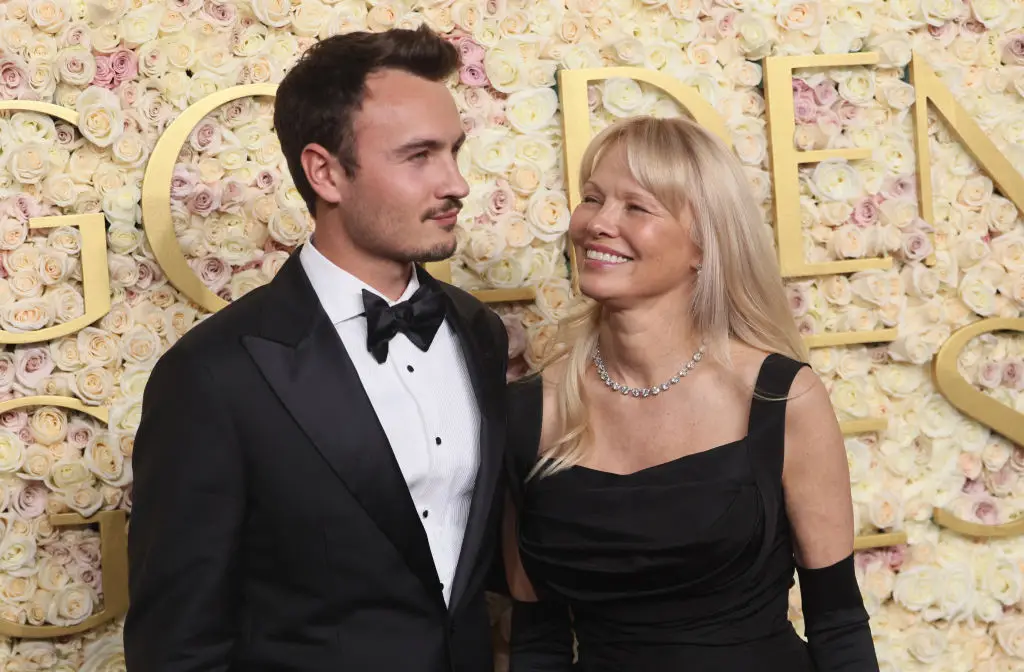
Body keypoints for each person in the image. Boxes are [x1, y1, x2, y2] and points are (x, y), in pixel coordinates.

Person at [125, 27, 509, 672]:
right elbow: (177, 644)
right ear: (325, 173)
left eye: (454, 151)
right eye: (419, 156)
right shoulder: (214, 374)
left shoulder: (478, 332)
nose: (456, 184)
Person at [502, 115, 879, 671]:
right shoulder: (530, 413)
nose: (598, 223)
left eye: (636, 207)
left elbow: (838, 623)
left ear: (703, 244)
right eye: (592, 198)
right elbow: (538, 643)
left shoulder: (779, 398)